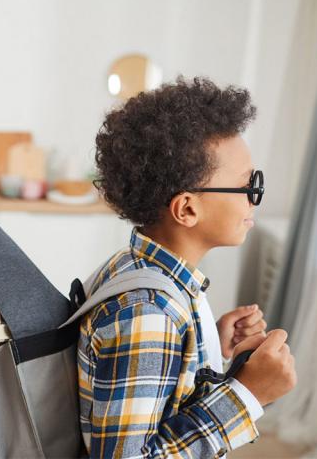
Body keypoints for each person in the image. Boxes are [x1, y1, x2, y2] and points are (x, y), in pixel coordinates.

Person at [78, 77, 297, 457]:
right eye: (248, 186)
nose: (254, 200)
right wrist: (247, 395)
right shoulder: (148, 313)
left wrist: (205, 345)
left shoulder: (133, 267)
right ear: (187, 209)